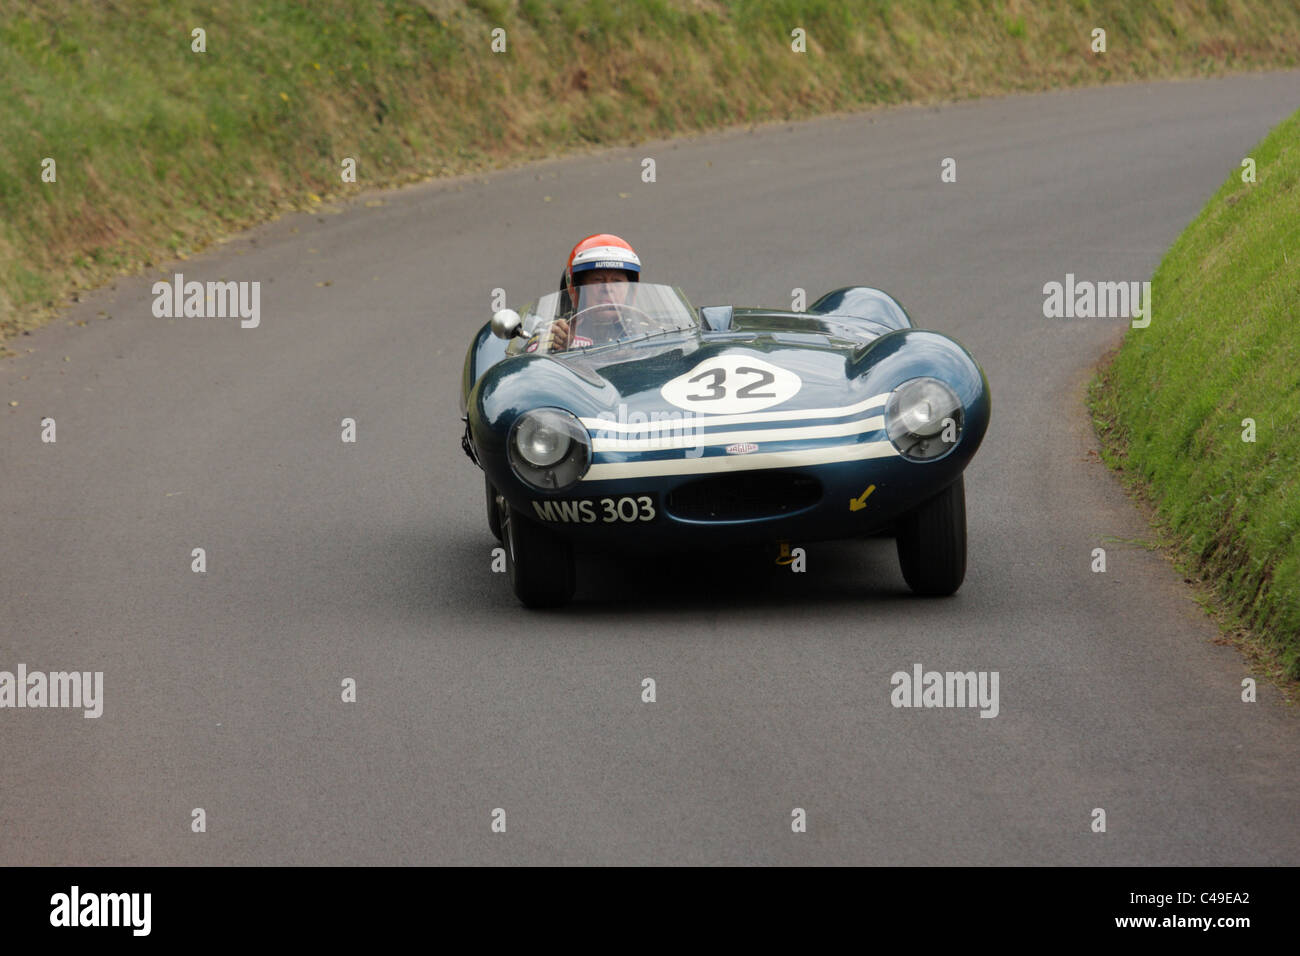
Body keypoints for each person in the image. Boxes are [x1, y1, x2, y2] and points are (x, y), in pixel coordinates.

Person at [529, 234, 643, 352]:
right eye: (598, 280)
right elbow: (532, 363)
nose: (608, 289)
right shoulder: (557, 330)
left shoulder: (646, 330)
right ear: (577, 288)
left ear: (630, 289)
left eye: (617, 281)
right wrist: (557, 349)